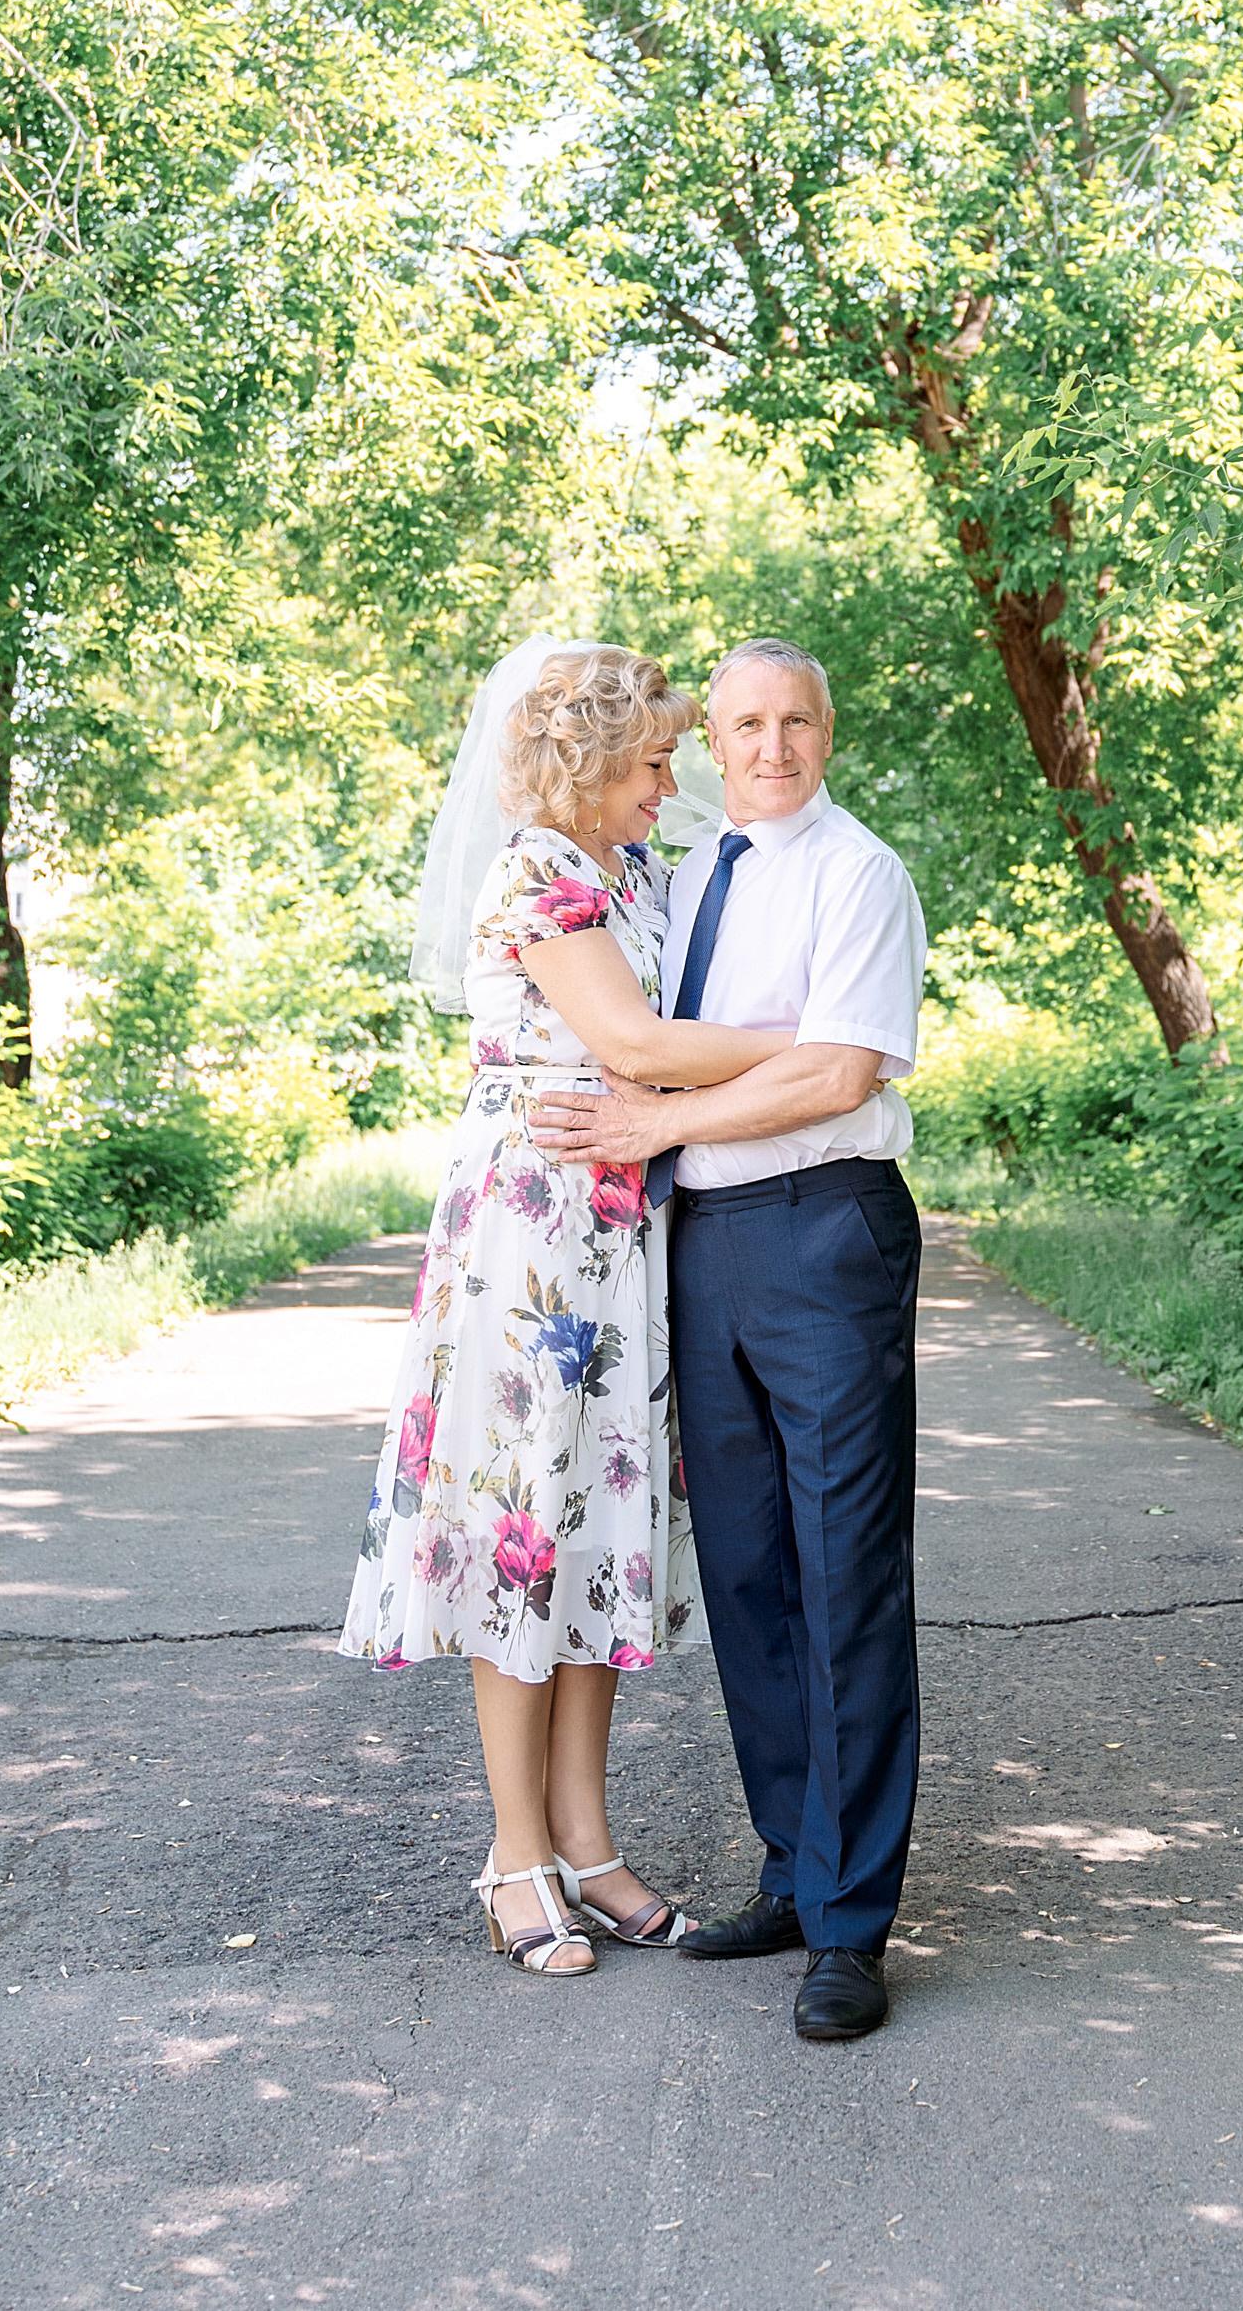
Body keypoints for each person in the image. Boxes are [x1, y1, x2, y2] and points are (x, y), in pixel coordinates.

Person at [338, 640, 796, 1978]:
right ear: (588, 767)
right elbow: (642, 1047)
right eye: (652, 763)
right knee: (523, 1539)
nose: (671, 783)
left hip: (623, 1239)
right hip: (530, 1248)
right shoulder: (538, 872)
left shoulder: (634, 869)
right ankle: (513, 1856)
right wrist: (826, 1039)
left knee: (596, 1541)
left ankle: (590, 1847)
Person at [533, 637, 928, 2043]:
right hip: (705, 1247)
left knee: (843, 1570)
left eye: (794, 722)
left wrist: (655, 1123)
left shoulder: (857, 874)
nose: (769, 746)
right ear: (712, 739)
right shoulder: (690, 872)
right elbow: (637, 1031)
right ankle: (789, 1868)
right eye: (744, 724)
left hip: (824, 1232)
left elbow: (836, 1068)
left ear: (828, 730)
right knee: (752, 1572)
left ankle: (852, 1926)